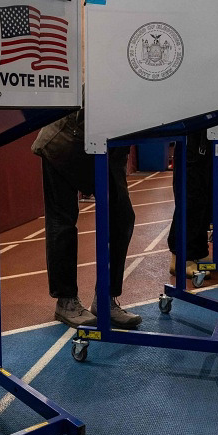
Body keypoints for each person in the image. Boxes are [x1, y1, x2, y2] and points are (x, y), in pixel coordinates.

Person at [32, 107, 142, 329]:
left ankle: (105, 298)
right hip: (62, 143)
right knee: (62, 223)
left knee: (122, 217)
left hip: (109, 146)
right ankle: (66, 302)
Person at [167, 130, 213, 278]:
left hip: (203, 137)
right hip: (191, 139)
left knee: (203, 198)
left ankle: (198, 251)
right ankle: (181, 257)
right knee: (190, 198)